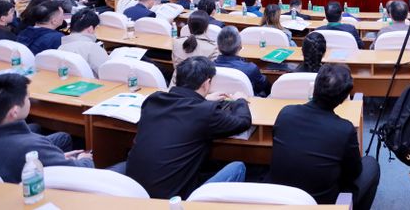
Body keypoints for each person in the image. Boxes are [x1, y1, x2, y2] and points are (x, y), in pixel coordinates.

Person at [126, 56, 251, 199]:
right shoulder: (205, 112)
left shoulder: (153, 100)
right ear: (206, 84)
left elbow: (182, 110)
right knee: (238, 167)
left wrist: (202, 100)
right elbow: (243, 122)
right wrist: (240, 100)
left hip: (133, 192)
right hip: (175, 200)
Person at [268, 64, 379, 209]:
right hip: (321, 203)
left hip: (279, 198)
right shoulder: (345, 129)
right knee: (371, 165)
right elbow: (354, 173)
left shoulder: (285, 113)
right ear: (343, 99)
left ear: (315, 87)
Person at [0, 73, 95, 182]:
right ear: (14, 112)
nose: (29, 101)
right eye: (28, 98)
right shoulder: (32, 146)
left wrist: (55, 158)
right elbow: (80, 171)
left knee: (63, 137)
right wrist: (84, 159)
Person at [215, 26, 270, 96]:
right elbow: (265, 87)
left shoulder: (208, 67)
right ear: (240, 46)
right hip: (246, 102)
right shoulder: (251, 69)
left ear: (218, 47)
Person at [59, 9, 109, 77]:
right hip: (92, 83)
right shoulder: (92, 48)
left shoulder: (61, 47)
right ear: (90, 29)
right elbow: (107, 72)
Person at [173, 10, 219, 83]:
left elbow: (175, 66)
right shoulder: (213, 47)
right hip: (198, 87)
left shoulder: (176, 42)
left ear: (189, 26)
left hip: (176, 84)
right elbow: (211, 74)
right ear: (206, 27)